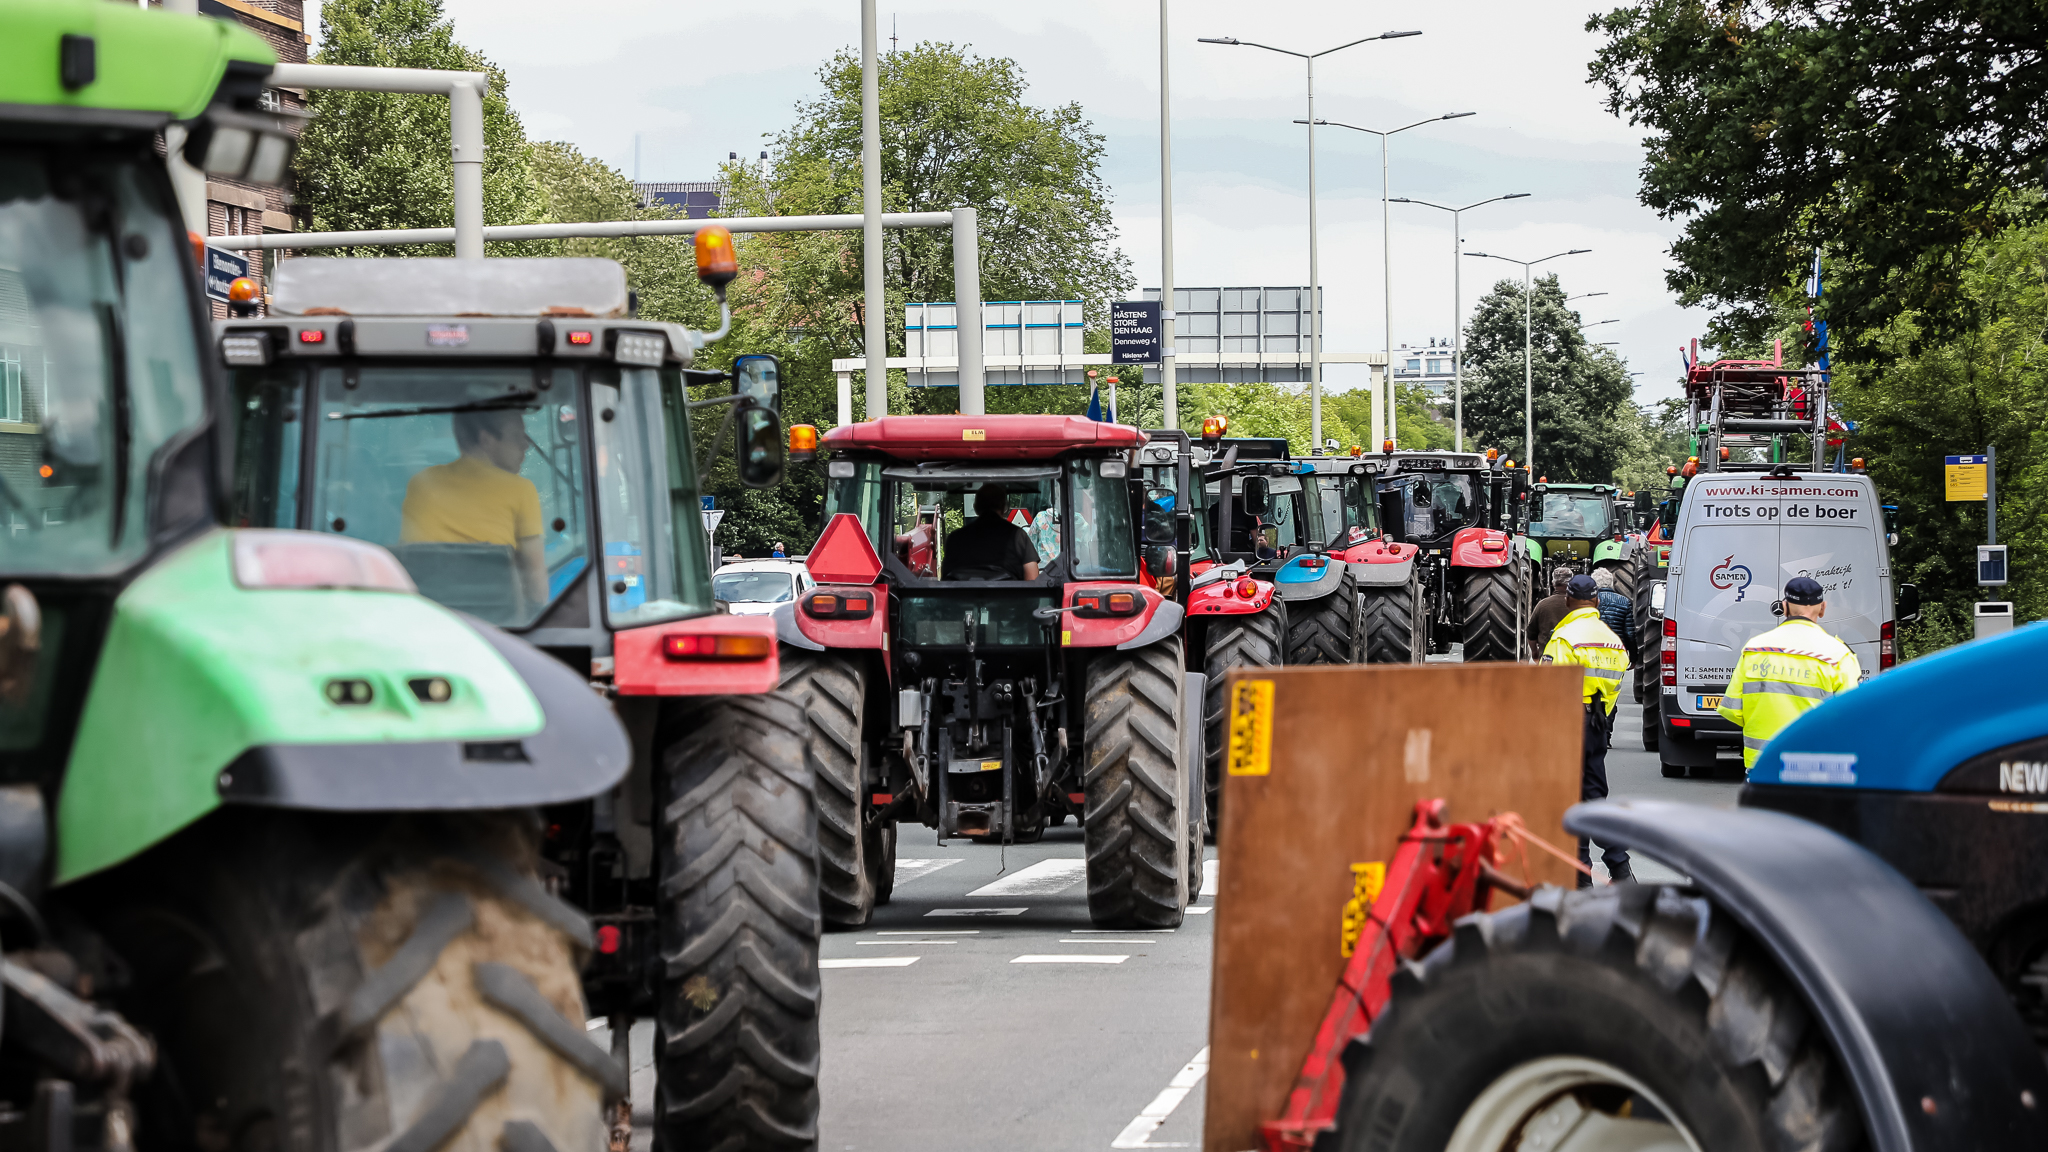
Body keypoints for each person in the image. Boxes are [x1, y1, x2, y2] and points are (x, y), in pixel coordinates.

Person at [401, 407, 546, 607]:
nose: (526, 445)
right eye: (516, 436)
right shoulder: (521, 490)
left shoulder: (421, 484)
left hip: (432, 617)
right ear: (486, 439)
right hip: (499, 623)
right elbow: (537, 588)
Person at [1542, 573, 1632, 886]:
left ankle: (1581, 875)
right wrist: (1601, 716)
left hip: (1569, 723)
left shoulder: (1563, 636)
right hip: (1597, 724)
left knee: (1573, 799)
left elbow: (1547, 686)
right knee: (1593, 796)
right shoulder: (1612, 641)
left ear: (1567, 600)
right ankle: (1619, 869)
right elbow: (1617, 683)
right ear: (1596, 600)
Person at [1717, 577, 1862, 768]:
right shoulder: (1839, 655)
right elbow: (1850, 720)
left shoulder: (1754, 649)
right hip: (1814, 768)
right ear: (1822, 608)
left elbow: (1732, 710)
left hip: (1761, 767)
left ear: (1784, 607)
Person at [941, 486, 1040, 580]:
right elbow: (1032, 579)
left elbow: (945, 579)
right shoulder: (1017, 536)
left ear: (976, 507)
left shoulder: (955, 538)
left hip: (963, 597)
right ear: (1004, 507)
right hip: (1008, 597)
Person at [1590, 566, 1636, 658]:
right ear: (1612, 582)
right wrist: (1634, 656)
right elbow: (1629, 633)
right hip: (1617, 651)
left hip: (1593, 651)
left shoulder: (1588, 601)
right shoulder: (1624, 601)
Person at [1528, 567, 1576, 654]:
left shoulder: (1542, 605)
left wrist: (1535, 653)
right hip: (1573, 661)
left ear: (1553, 583)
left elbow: (1531, 635)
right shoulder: (1579, 606)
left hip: (1547, 660)